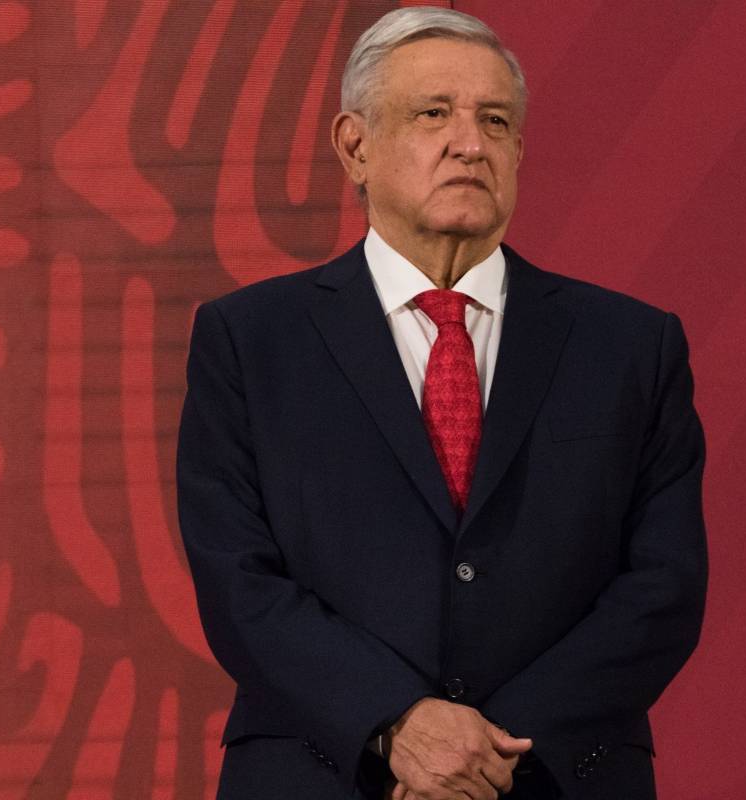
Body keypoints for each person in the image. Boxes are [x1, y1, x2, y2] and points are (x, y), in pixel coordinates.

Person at [176, 8, 707, 799]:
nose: (470, 143)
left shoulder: (632, 346)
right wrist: (395, 722)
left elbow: (663, 587)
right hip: (324, 774)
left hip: (554, 776)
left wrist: (490, 751)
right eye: (433, 114)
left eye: (495, 121)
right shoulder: (250, 340)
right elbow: (236, 580)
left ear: (518, 151)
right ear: (354, 146)